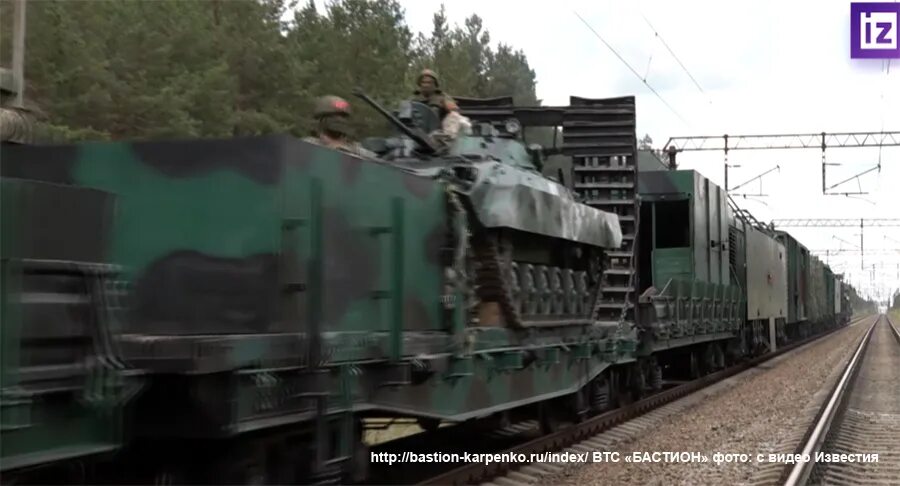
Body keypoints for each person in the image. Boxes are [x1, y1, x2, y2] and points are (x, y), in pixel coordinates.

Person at [303, 95, 375, 158]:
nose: (339, 120)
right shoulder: (307, 147)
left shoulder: (359, 151)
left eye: (342, 118)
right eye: (333, 118)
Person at [412, 69, 470, 140]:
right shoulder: (414, 99)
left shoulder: (442, 97)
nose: (426, 85)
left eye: (429, 82)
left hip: (437, 135)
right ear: (420, 84)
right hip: (416, 134)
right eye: (423, 82)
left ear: (435, 85)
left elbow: (454, 111)